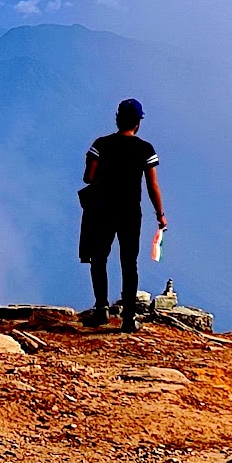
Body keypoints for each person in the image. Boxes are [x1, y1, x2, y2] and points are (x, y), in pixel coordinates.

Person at [78, 97, 166, 332]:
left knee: (99, 258)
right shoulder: (145, 149)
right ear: (138, 122)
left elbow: (88, 177)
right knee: (129, 263)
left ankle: (101, 309)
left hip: (102, 209)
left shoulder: (101, 144)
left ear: (117, 119)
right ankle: (128, 318)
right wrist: (160, 215)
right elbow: (152, 186)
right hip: (130, 212)